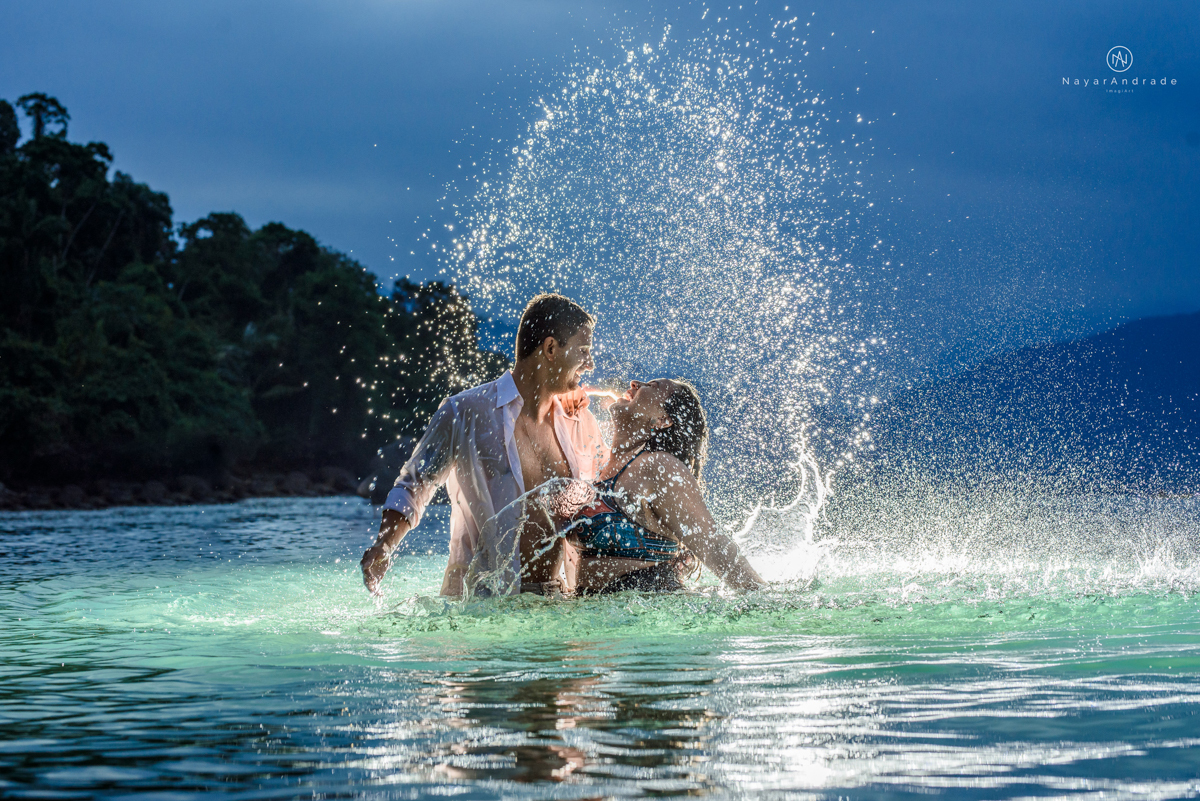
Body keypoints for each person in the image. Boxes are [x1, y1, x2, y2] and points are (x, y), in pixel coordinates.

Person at [360, 293, 609, 596]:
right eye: (583, 350)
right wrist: (384, 545)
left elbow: (611, 491)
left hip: (557, 600)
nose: (590, 363)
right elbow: (415, 484)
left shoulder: (579, 421)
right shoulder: (466, 411)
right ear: (551, 348)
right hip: (483, 603)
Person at [499, 378, 765, 596]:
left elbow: (712, 542)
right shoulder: (604, 469)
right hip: (608, 628)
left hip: (653, 629)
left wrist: (761, 597)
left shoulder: (658, 468)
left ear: (663, 420)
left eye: (654, 386)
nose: (636, 382)